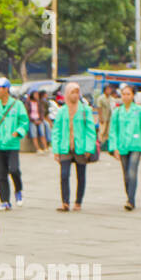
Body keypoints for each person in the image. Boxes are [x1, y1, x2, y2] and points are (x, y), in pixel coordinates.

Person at [51, 82, 97, 211]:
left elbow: (90, 130)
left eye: (77, 92)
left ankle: (78, 202)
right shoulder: (62, 111)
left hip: (81, 148)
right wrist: (56, 150)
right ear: (67, 94)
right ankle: (65, 202)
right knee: (64, 175)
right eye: (72, 92)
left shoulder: (85, 110)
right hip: (65, 147)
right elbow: (56, 131)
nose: (75, 95)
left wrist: (89, 148)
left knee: (81, 176)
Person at [0, 78, 29, 209]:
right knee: (0, 174)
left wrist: (17, 132)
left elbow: (24, 122)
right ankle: (5, 201)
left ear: (6, 89)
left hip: (12, 144)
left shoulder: (17, 105)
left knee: (14, 169)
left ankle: (18, 189)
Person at [107, 82, 141, 210]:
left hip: (135, 145)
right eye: (123, 94)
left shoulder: (139, 110)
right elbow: (113, 130)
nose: (125, 97)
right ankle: (129, 196)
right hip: (122, 145)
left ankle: (131, 200)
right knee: (126, 173)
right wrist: (113, 147)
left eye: (128, 94)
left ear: (133, 96)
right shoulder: (117, 111)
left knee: (132, 172)